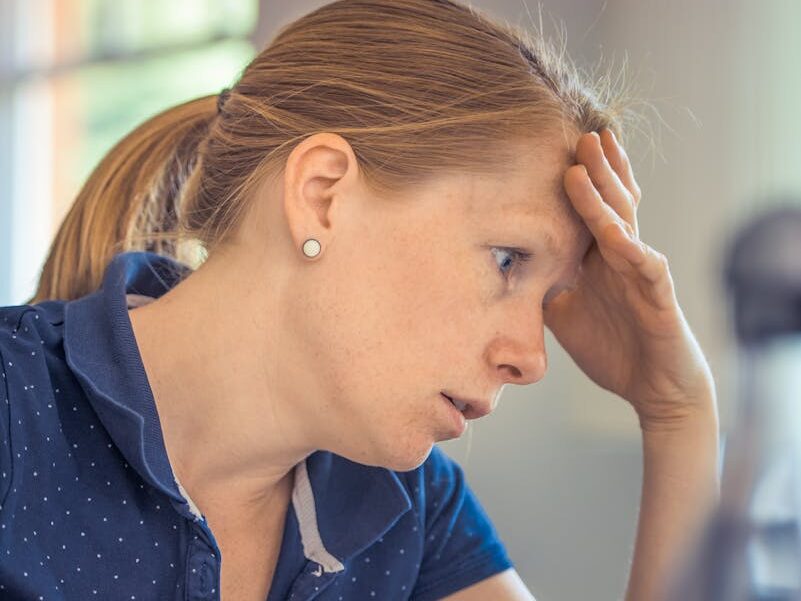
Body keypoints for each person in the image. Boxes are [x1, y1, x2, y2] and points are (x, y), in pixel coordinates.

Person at [0, 0, 720, 599]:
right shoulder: (14, 409)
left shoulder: (407, 507)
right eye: (507, 260)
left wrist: (677, 412)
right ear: (321, 196)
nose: (530, 358)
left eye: (550, 296)